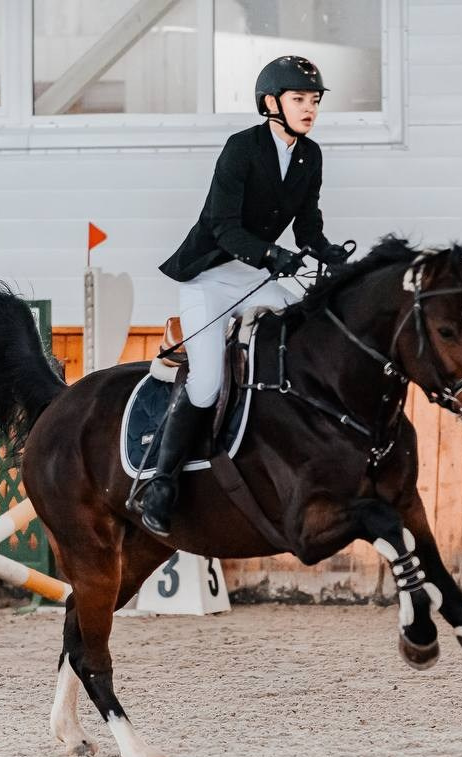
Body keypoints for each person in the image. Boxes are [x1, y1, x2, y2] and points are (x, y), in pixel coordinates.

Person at [140, 55, 350, 537]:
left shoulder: (310, 156)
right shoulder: (241, 148)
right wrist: (273, 255)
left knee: (305, 339)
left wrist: (329, 252)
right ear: (271, 103)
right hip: (208, 281)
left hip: (253, 279)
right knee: (207, 383)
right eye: (299, 99)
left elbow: (308, 226)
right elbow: (224, 227)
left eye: (314, 100)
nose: (310, 108)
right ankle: (161, 484)